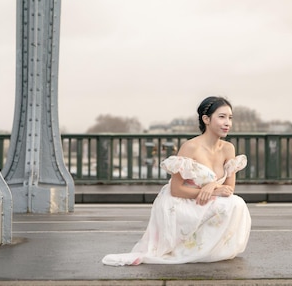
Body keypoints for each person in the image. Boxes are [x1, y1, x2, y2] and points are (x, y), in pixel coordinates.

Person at [102, 96, 251, 266]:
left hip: (206, 200)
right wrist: (208, 191)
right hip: (181, 201)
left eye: (230, 118)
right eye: (222, 117)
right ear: (206, 119)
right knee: (230, 204)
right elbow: (176, 189)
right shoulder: (191, 147)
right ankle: (191, 250)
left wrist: (213, 186)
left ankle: (209, 249)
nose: (228, 123)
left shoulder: (228, 148)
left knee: (237, 203)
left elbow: (229, 188)